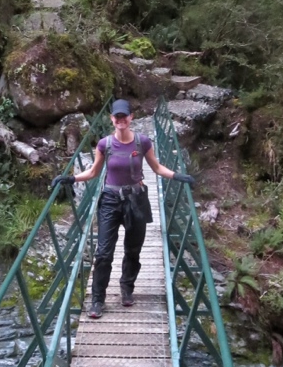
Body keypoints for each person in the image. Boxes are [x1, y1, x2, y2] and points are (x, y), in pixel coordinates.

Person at [51, 98, 195, 318]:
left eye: (124, 116)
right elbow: (93, 173)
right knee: (103, 253)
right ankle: (98, 299)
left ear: (130, 118)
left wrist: (178, 176)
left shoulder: (143, 142)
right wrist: (69, 179)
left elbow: (156, 168)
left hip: (136, 199)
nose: (120, 120)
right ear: (112, 119)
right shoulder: (104, 145)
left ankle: (127, 288)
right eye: (116, 116)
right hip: (110, 200)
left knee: (133, 249)